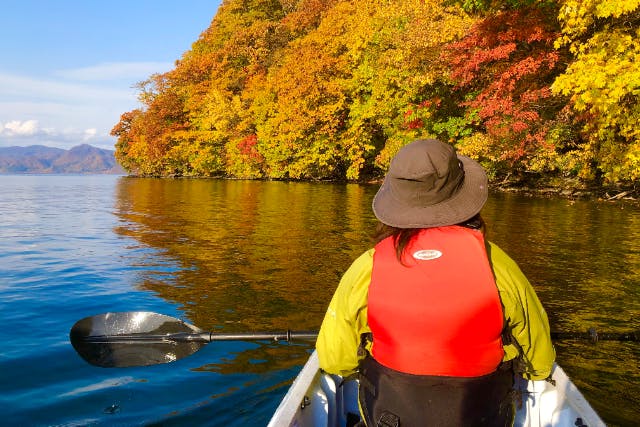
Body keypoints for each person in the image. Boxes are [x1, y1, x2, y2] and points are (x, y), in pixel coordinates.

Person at [316, 139, 555, 426]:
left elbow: (334, 360)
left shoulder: (366, 267)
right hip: (480, 415)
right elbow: (539, 363)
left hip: (391, 415)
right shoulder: (499, 266)